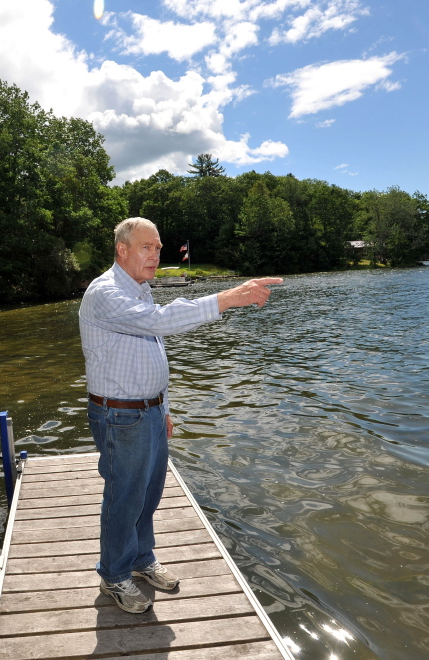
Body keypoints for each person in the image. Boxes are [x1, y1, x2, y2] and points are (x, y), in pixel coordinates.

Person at [79, 217, 282, 614]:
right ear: (122, 249)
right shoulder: (104, 293)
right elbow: (159, 323)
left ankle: (140, 560)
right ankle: (114, 575)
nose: (156, 255)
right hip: (120, 416)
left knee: (149, 495)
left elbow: (152, 348)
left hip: (148, 412)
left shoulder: (140, 288)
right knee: (124, 497)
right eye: (146, 247)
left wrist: (163, 406)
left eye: (158, 247)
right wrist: (228, 298)